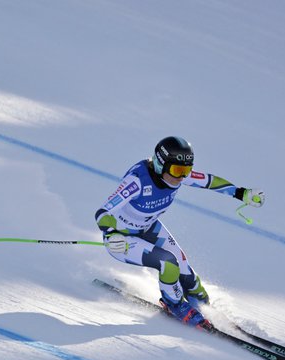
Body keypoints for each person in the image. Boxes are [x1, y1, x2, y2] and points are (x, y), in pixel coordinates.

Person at [95, 136, 265, 332]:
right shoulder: (136, 181)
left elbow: (209, 181)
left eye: (185, 171)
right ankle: (175, 304)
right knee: (168, 263)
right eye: (177, 171)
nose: (181, 177)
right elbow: (103, 212)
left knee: (187, 274)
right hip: (123, 239)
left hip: (149, 228)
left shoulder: (177, 174)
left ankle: (201, 305)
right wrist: (110, 234)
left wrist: (241, 193)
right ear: (160, 164)